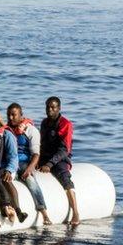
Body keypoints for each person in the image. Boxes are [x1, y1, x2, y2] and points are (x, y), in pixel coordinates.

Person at [7, 103, 51, 224]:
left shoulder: (31, 130)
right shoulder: (7, 130)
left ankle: (43, 212)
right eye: (8, 115)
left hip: (24, 163)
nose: (11, 118)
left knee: (31, 182)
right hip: (10, 163)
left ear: (21, 115)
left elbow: (36, 154)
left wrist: (29, 169)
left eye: (14, 115)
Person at [39, 96, 80, 225]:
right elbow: (42, 144)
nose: (50, 110)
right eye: (48, 107)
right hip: (45, 157)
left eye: (53, 107)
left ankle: (76, 213)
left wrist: (50, 164)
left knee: (65, 180)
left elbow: (64, 149)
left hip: (60, 158)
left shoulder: (65, 124)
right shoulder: (44, 123)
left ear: (59, 108)